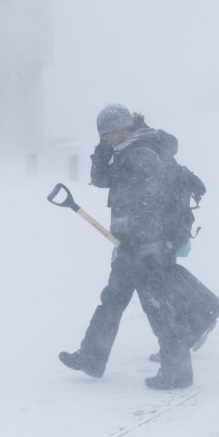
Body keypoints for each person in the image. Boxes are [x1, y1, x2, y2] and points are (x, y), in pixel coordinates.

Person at [58, 103, 195, 390]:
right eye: (102, 136)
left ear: (122, 130)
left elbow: (148, 204)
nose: (104, 139)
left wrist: (140, 243)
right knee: (112, 301)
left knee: (158, 307)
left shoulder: (142, 154)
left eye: (107, 135)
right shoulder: (125, 151)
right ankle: (92, 357)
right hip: (131, 244)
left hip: (147, 247)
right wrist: (103, 151)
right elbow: (101, 180)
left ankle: (178, 372)